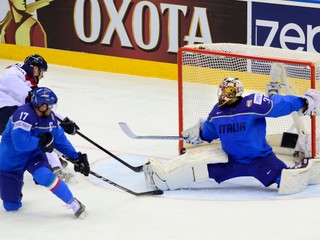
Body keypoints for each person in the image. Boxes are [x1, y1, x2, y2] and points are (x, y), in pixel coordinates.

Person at [143, 77, 320, 194]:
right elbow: (209, 132)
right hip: (232, 160)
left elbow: (278, 104)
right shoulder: (217, 112)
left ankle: (312, 171)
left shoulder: (252, 103)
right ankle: (163, 180)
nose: (222, 95)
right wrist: (198, 135)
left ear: (236, 93)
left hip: (261, 159)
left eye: (226, 91)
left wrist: (303, 102)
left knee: (287, 181)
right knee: (198, 167)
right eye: (221, 91)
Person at [0, 87, 90, 218]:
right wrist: (40, 142)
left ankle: (74, 203)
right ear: (41, 106)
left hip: (33, 155)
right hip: (10, 161)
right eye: (49, 106)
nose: (51, 109)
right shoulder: (23, 115)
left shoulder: (50, 118)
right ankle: (16, 186)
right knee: (11, 206)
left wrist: (76, 157)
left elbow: (60, 139)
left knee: (43, 175)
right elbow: (20, 144)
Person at [0, 53, 79, 182]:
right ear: (35, 68)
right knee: (41, 133)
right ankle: (55, 168)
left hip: (7, 112)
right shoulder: (17, 71)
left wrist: (64, 121)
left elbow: (41, 108)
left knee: (33, 136)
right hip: (4, 111)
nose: (42, 76)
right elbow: (9, 79)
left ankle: (49, 161)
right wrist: (30, 95)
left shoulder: (27, 80)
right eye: (41, 71)